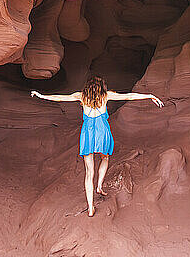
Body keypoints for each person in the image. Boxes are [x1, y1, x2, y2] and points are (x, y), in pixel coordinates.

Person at [30, 75, 163, 217]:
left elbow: (60, 98)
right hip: (102, 131)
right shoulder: (106, 96)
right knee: (105, 157)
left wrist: (41, 95)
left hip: (87, 133)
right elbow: (128, 96)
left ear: (88, 86)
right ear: (101, 86)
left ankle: (90, 207)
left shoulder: (81, 96)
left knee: (89, 172)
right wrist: (149, 95)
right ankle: (99, 185)